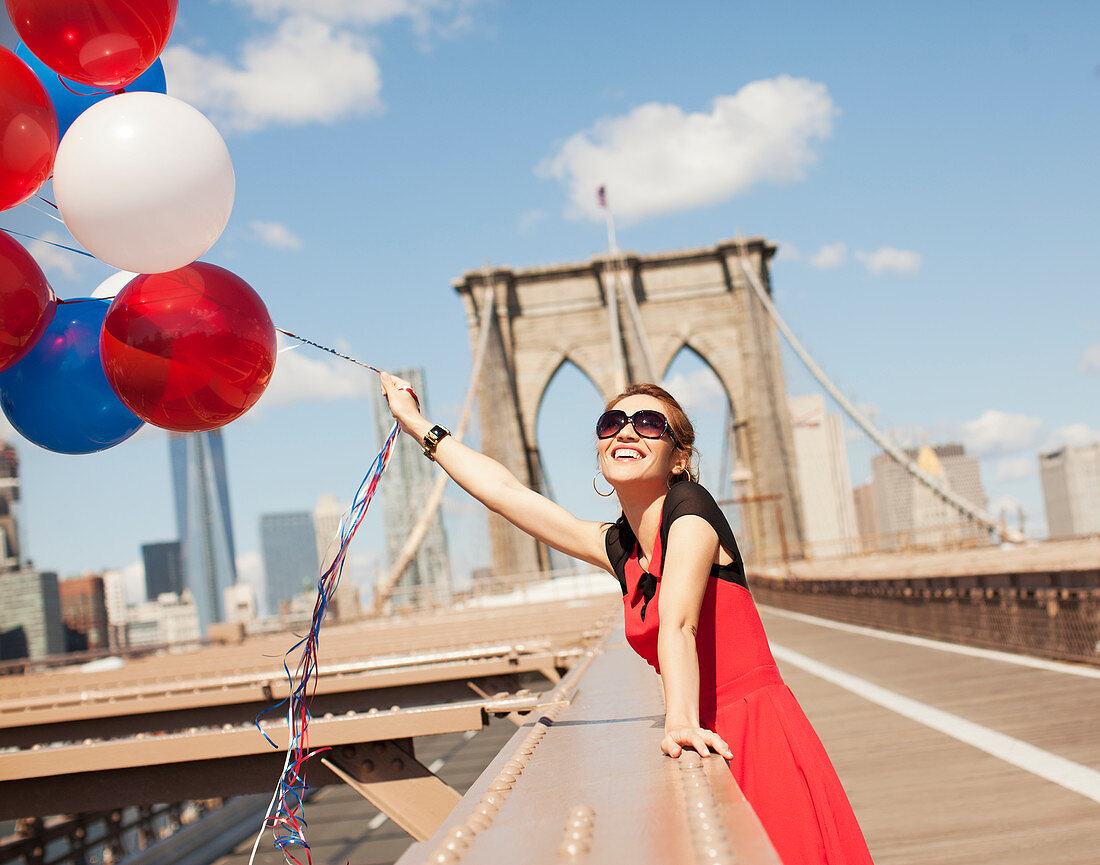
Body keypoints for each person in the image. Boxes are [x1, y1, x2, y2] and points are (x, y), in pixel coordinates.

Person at [380, 373, 873, 864]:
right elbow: (508, 493)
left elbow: (679, 624)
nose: (628, 431)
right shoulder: (623, 547)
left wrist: (678, 721)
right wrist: (415, 422)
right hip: (704, 728)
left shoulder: (692, 512)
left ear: (679, 456)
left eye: (650, 423)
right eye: (612, 422)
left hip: (754, 731)